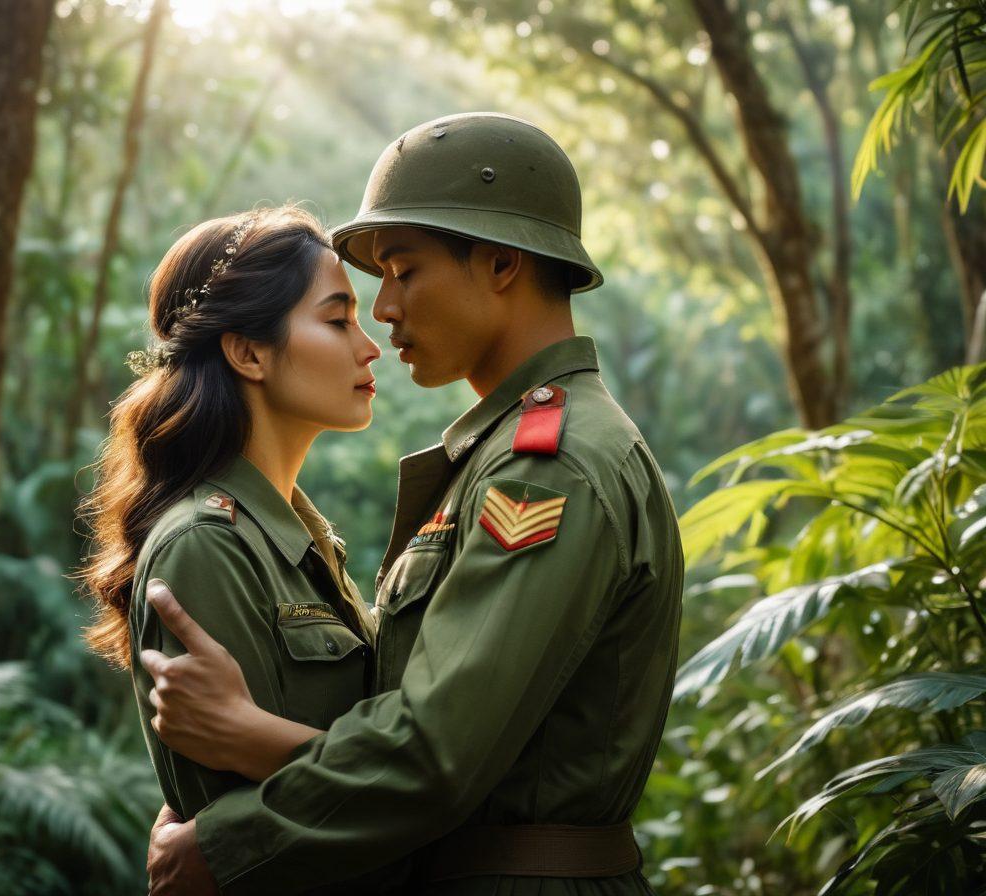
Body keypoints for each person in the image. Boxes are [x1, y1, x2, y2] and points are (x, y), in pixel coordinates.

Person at [140, 112, 685, 895]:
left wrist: (228, 839)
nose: (385, 309)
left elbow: (438, 754)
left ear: (499, 265)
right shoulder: (505, 455)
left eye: (404, 271)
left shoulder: (547, 464)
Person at [76, 206, 385, 860]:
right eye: (337, 320)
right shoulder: (205, 544)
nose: (369, 346)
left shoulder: (301, 537)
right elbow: (248, 821)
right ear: (248, 352)